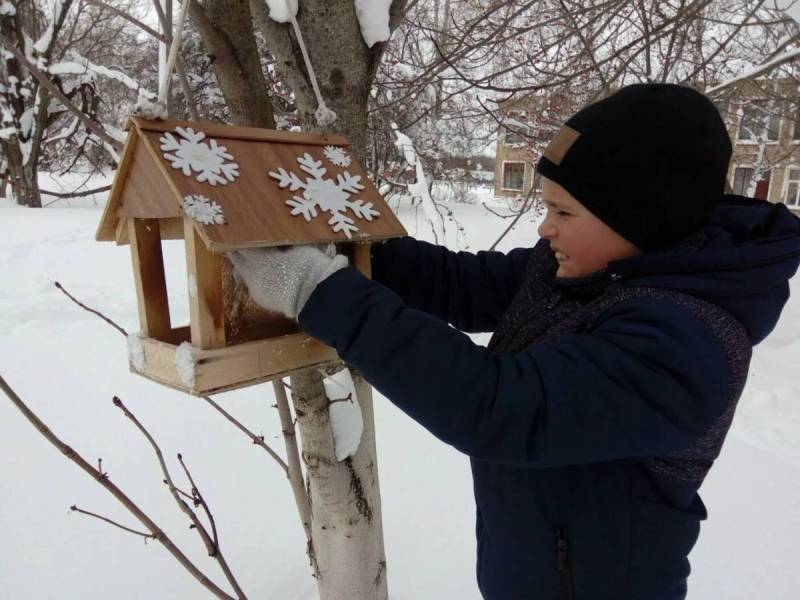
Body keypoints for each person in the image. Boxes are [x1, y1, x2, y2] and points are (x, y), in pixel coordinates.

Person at [229, 83, 800, 600]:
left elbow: (499, 407)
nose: (545, 226)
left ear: (641, 221)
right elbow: (461, 284)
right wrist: (355, 250)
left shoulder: (686, 343)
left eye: (562, 210)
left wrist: (316, 289)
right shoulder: (581, 267)